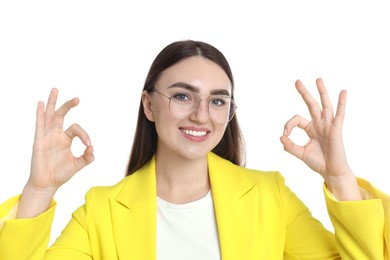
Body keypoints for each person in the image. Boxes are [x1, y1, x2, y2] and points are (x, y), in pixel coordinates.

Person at [0, 40, 388, 260]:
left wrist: (339, 177)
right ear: (149, 105)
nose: (202, 115)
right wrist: (39, 190)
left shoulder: (270, 197)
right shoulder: (101, 210)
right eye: (183, 96)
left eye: (218, 101)